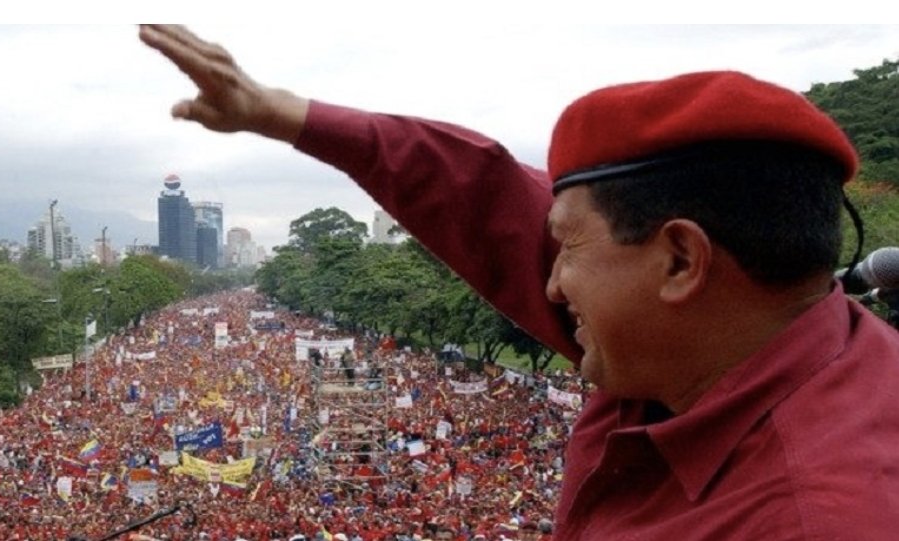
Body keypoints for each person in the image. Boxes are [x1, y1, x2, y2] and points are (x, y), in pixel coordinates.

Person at [139, 25, 899, 539]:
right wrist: (287, 114)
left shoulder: (818, 514)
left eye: (565, 246)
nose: (552, 283)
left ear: (679, 260)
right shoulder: (709, 330)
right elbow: (482, 198)